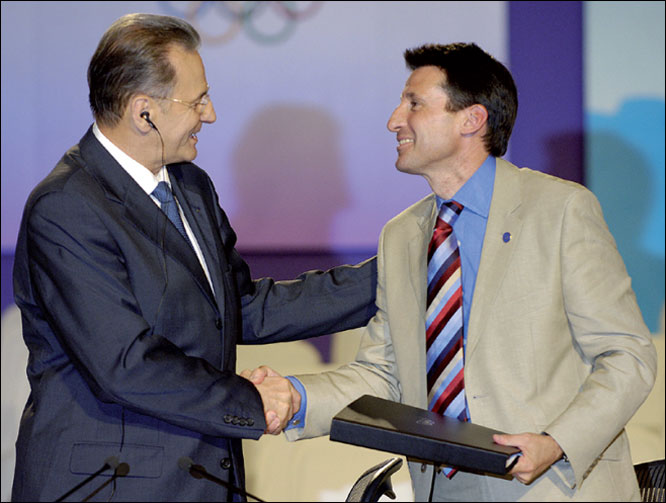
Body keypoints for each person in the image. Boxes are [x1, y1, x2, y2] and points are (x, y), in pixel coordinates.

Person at [248, 43, 658, 500]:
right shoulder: (402, 236)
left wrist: (557, 443)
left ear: (472, 119)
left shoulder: (560, 210)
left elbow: (627, 355)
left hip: (551, 486)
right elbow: (385, 374)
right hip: (439, 488)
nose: (394, 120)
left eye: (414, 103)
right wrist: (296, 397)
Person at [10, 13, 377, 502]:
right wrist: (251, 400)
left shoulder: (191, 186)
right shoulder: (66, 206)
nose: (211, 114)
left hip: (199, 480)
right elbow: (126, 363)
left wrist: (395, 278)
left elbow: (238, 308)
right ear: (145, 112)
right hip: (108, 486)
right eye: (198, 100)